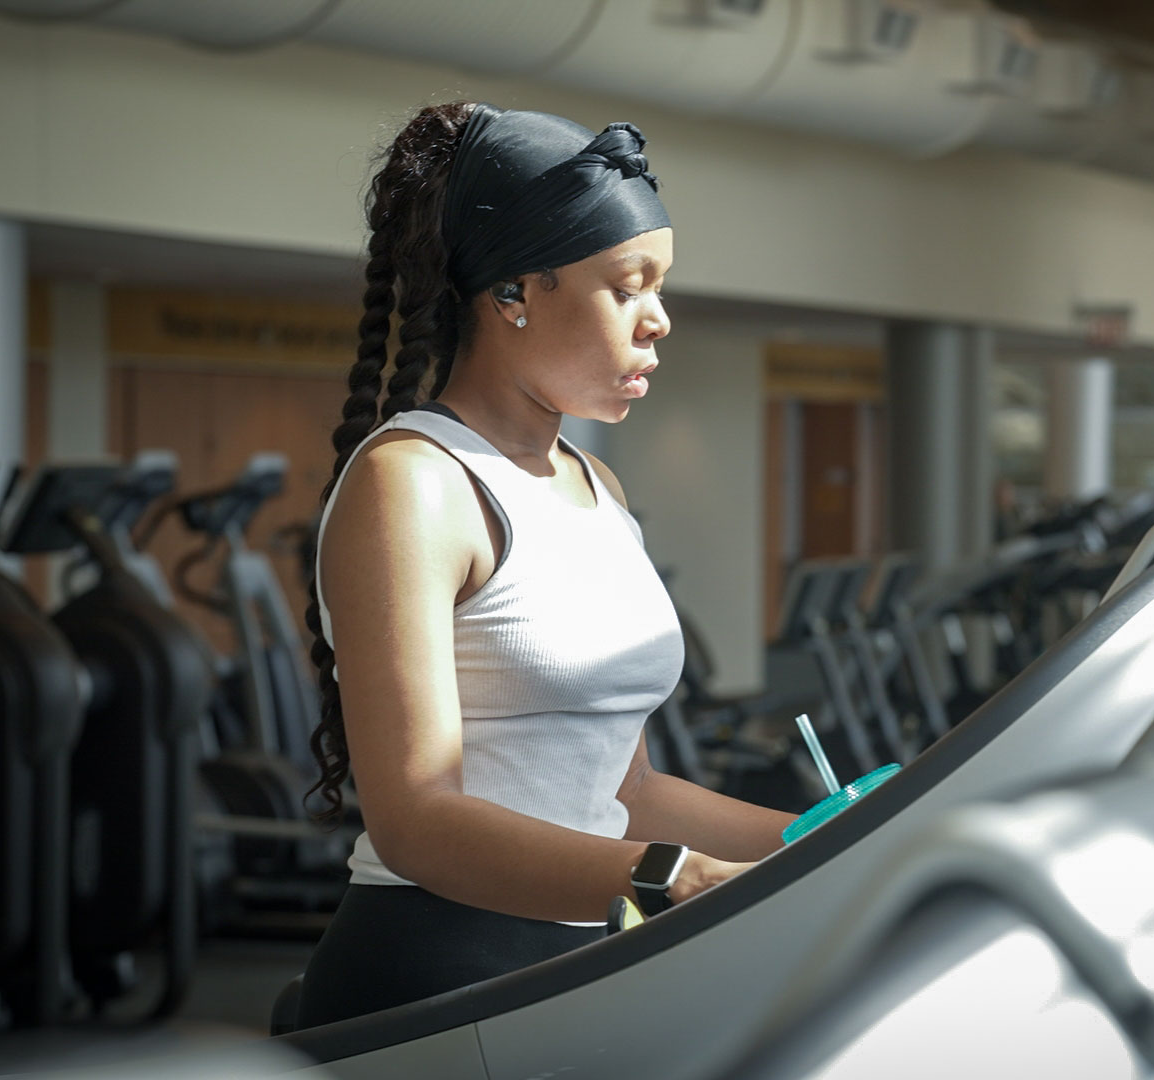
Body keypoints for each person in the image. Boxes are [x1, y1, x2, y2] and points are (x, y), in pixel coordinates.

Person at [294, 101, 795, 1027]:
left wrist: (815, 835)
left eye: (661, 286)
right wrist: (669, 879)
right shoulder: (414, 484)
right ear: (516, 293)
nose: (660, 321)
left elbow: (624, 790)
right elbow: (417, 821)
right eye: (627, 286)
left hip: (588, 954)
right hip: (438, 972)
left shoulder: (596, 484)